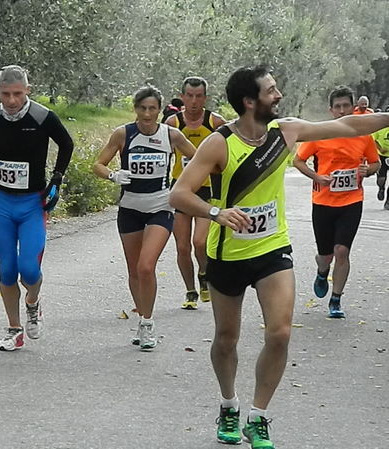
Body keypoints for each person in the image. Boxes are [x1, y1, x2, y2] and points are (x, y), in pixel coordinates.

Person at [169, 65, 389, 449]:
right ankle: (228, 404)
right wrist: (217, 213)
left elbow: (352, 127)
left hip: (273, 249)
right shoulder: (220, 143)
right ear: (250, 102)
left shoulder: (285, 131)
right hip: (228, 254)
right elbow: (179, 194)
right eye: (272, 91)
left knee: (280, 333)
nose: (280, 95)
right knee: (226, 338)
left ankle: (258, 417)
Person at [0, 65, 74, 351]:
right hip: (1, 201)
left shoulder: (42, 117)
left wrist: (56, 180)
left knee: (30, 270)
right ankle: (14, 329)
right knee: (7, 271)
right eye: (5, 94)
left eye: (17, 94)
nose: (11, 101)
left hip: (32, 202)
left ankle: (33, 302)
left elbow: (66, 144)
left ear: (28, 91)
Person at [93, 85, 196, 350]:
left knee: (146, 266)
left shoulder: (170, 135)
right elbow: (98, 164)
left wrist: (184, 184)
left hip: (161, 206)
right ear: (135, 109)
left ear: (159, 110)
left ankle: (148, 324)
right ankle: (141, 317)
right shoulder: (123, 134)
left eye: (152, 109)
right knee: (134, 269)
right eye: (142, 108)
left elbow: (199, 159)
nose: (147, 114)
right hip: (130, 208)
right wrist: (113, 175)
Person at [294, 86, 380, 318]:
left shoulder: (364, 135)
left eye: (346, 106)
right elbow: (298, 160)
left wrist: (367, 170)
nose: (342, 111)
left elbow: (376, 163)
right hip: (323, 201)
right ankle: (322, 271)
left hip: (352, 200)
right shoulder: (319, 133)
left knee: (342, 250)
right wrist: (316, 176)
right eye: (337, 107)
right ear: (330, 110)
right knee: (326, 255)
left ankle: (336, 299)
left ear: (353, 108)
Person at [165, 76, 226, 309]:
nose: (193, 101)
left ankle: (204, 273)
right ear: (182, 97)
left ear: (205, 98)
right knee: (182, 246)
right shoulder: (172, 124)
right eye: (189, 96)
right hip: (181, 188)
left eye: (198, 96)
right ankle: (190, 291)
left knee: (200, 242)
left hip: (207, 189)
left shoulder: (215, 122)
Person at [372, 125, 389, 208]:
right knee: (381, 177)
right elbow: (372, 140)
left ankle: (388, 201)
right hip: (382, 155)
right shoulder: (380, 128)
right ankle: (381, 188)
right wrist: (380, 148)